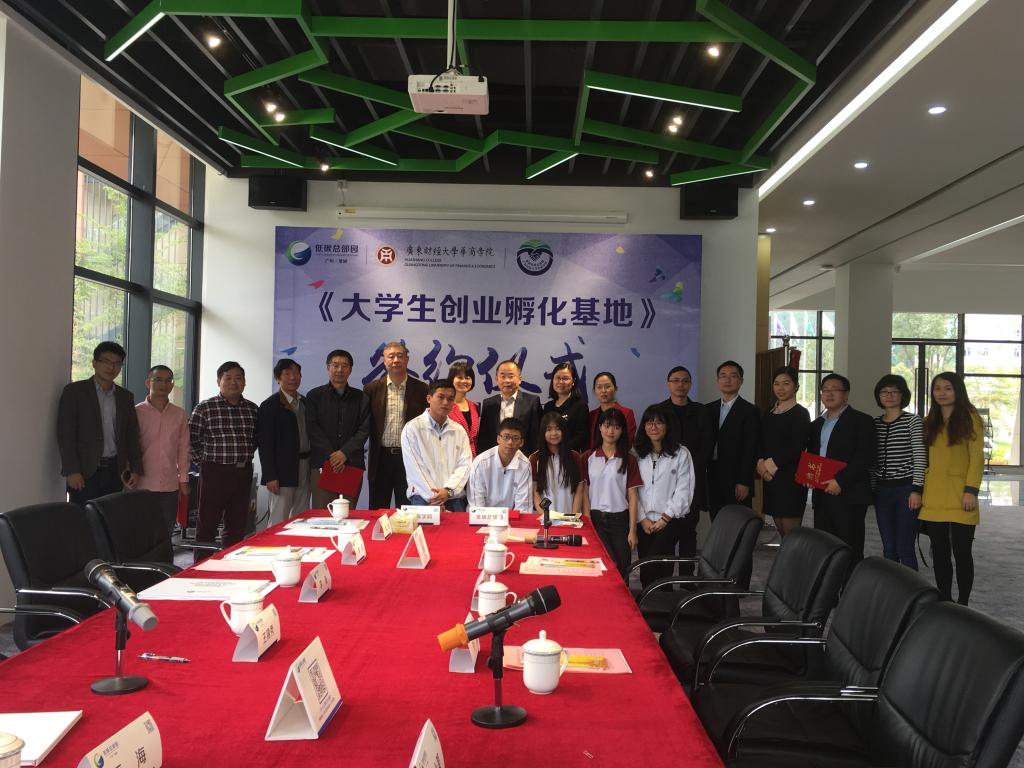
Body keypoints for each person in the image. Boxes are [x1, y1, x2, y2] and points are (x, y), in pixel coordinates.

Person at [918, 372, 984, 604]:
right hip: (933, 495)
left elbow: (976, 459)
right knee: (939, 552)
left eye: (948, 388)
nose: (942, 393)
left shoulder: (970, 418)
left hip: (961, 494)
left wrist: (971, 490)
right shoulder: (929, 421)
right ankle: (945, 599)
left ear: (958, 391)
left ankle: (963, 602)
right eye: (937, 388)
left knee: (962, 553)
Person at [57, 341, 142, 504]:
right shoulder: (75, 392)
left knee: (110, 516)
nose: (111, 367)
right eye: (106, 361)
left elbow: (131, 435)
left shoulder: (125, 397)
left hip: (115, 470)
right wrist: (71, 470)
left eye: (117, 363)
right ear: (94, 363)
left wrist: (136, 469)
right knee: (82, 516)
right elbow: (65, 434)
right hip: (85, 471)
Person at [188, 361, 258, 547]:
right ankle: (202, 562)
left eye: (238, 378)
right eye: (228, 378)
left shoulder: (253, 409)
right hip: (213, 472)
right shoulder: (205, 407)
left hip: (242, 472)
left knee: (237, 524)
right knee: (207, 523)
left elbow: (256, 439)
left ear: (244, 382)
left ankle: (230, 561)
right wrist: (203, 463)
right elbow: (191, 439)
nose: (233, 382)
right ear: (218, 381)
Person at [806, 373, 874, 560]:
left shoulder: (862, 421)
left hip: (849, 494)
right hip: (822, 493)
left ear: (846, 394)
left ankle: (851, 580)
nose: (829, 393)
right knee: (825, 546)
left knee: (849, 547)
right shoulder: (816, 424)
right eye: (825, 390)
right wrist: (810, 476)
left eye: (835, 389)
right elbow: (813, 455)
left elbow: (864, 457)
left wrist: (840, 481)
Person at [633, 405, 695, 589]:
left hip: (669, 520)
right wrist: (642, 518)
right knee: (645, 566)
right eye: (649, 422)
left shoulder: (681, 453)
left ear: (668, 426)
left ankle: (664, 600)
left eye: (659, 422)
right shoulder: (636, 454)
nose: (654, 427)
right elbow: (633, 490)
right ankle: (648, 602)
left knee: (660, 566)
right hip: (643, 521)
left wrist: (665, 518)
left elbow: (684, 489)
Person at [658, 365, 713, 572]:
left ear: (690, 384)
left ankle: (687, 579)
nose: (680, 385)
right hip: (665, 480)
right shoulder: (660, 411)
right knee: (666, 530)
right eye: (675, 380)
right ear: (668, 384)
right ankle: (664, 581)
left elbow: (707, 444)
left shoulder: (701, 411)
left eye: (685, 381)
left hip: (693, 479)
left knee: (689, 530)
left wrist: (689, 469)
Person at [871, 373, 926, 570]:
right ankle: (891, 587)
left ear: (903, 395)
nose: (889, 395)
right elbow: (872, 461)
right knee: (888, 547)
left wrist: (917, 489)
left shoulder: (913, 421)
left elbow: (920, 456)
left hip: (906, 490)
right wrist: (872, 490)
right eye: (884, 392)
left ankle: (912, 588)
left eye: (894, 391)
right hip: (881, 491)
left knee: (905, 547)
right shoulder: (874, 423)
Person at [306, 349, 371, 510]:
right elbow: (312, 428)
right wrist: (333, 456)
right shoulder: (314, 396)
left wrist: (344, 453)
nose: (339, 370)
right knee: (322, 514)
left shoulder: (361, 397)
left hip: (352, 464)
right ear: (328, 368)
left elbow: (364, 429)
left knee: (348, 514)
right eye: (335, 365)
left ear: (350, 370)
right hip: (323, 464)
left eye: (344, 366)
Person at [365, 341, 428, 508]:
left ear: (407, 359)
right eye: (391, 356)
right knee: (378, 509)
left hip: (410, 458)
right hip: (381, 458)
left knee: (408, 509)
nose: (395, 360)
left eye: (400, 356)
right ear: (384, 360)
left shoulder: (421, 389)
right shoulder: (371, 389)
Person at [582, 408, 642, 579]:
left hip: (620, 521)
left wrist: (632, 530)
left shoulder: (629, 460)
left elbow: (633, 496)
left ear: (622, 430)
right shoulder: (588, 457)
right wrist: (588, 521)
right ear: (600, 427)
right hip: (596, 519)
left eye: (616, 427)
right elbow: (584, 492)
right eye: (607, 426)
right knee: (603, 567)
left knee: (623, 568)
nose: (611, 431)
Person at [401, 378, 472, 511]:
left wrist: (448, 491)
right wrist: (435, 497)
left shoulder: (459, 430)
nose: (445, 402)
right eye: (441, 397)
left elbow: (465, 464)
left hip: (453, 496)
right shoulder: (412, 428)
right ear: (429, 398)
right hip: (423, 497)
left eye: (450, 399)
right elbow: (415, 468)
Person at [756, 366, 811, 537]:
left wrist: (768, 466)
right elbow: (761, 441)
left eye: (786, 383)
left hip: (791, 478)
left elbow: (797, 446)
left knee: (791, 531)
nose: (780, 388)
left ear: (796, 386)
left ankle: (794, 556)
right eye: (776, 383)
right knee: (779, 526)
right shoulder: (768, 412)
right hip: (771, 479)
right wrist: (760, 464)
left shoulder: (800, 413)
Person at [135, 365, 190, 535]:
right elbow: (130, 447)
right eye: (158, 380)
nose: (163, 384)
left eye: (168, 380)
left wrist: (183, 480)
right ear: (147, 383)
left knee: (165, 532)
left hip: (169, 485)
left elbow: (183, 449)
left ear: (172, 385)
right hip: (141, 484)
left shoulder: (179, 414)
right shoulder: (136, 412)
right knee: (141, 532)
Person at [256, 359, 312, 526]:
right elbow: (265, 444)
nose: (292, 377)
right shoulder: (269, 406)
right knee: (279, 518)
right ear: (278, 378)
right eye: (287, 373)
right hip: (282, 471)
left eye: (296, 373)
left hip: (305, 466)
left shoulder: (305, 403)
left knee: (302, 516)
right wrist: (270, 475)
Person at [706, 360, 759, 520]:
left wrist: (744, 481)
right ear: (717, 381)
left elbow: (751, 449)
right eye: (723, 376)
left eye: (733, 376)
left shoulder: (750, 411)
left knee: (738, 522)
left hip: (737, 478)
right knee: (717, 521)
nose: (727, 380)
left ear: (741, 381)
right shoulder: (708, 409)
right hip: (713, 476)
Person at [478, 359, 542, 456]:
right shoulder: (489, 404)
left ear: (519, 379)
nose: (507, 380)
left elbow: (536, 436)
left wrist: (533, 459)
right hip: (494, 459)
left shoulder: (532, 402)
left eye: (511, 376)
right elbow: (484, 437)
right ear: (497, 379)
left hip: (523, 458)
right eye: (503, 376)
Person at [467, 417, 532, 511]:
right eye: (506, 437)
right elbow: (476, 505)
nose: (510, 442)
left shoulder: (525, 465)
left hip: (512, 517)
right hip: (483, 516)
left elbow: (523, 507)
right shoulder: (481, 462)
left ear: (521, 442)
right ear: (498, 439)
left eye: (515, 438)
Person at [530, 411, 584, 517]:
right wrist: (546, 517)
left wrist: (572, 517)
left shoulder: (575, 457)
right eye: (549, 429)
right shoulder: (535, 458)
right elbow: (535, 494)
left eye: (558, 429)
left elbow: (579, 489)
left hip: (569, 517)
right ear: (543, 432)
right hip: (544, 518)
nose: (554, 433)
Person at [541, 362, 588, 452]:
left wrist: (561, 450)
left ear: (573, 381)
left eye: (565, 378)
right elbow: (543, 432)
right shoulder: (548, 406)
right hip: (549, 455)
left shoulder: (580, 405)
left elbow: (581, 436)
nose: (561, 382)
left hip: (570, 455)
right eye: (558, 378)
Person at [446, 361, 480, 457]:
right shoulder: (445, 405)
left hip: (471, 458)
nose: (464, 381)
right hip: (449, 457)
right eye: (460, 377)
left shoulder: (474, 407)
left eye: (467, 378)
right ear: (451, 379)